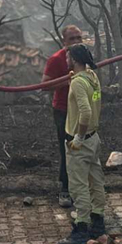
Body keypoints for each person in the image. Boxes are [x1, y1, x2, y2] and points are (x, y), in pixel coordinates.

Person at [58, 44, 107, 244]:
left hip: (80, 141)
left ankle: (81, 228)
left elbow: (85, 112)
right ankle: (98, 221)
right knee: (96, 181)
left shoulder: (78, 82)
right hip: (93, 139)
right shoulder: (91, 77)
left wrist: (77, 137)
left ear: (75, 60)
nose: (66, 60)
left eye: (68, 57)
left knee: (78, 186)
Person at [43, 25, 84, 208]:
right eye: (72, 39)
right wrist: (66, 81)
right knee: (67, 150)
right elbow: (44, 85)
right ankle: (65, 190)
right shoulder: (56, 59)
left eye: (79, 38)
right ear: (63, 42)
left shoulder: (85, 57)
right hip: (64, 110)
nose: (76, 42)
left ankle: (82, 188)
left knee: (83, 149)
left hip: (83, 110)